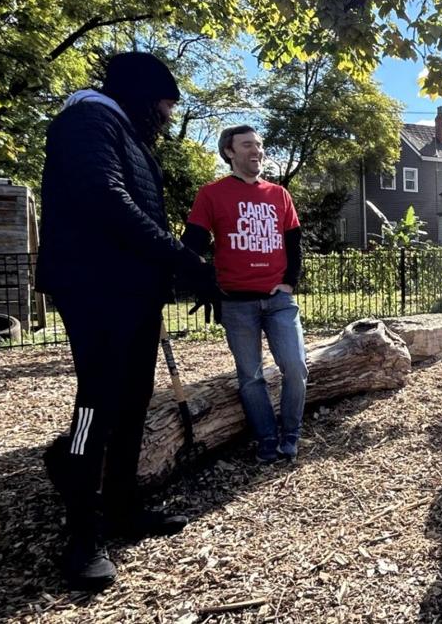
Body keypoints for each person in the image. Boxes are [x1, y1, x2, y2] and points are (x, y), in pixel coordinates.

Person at [37, 52, 223, 590]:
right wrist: (186, 262)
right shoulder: (87, 120)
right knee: (96, 404)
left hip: (134, 292)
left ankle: (122, 505)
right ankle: (81, 534)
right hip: (95, 286)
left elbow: (139, 212)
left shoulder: (126, 134)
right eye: (165, 104)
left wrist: (177, 276)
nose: (167, 116)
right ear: (142, 95)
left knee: (135, 399)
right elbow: (107, 200)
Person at [181, 125, 307, 463]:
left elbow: (295, 245)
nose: (257, 150)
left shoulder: (279, 195)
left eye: (260, 144)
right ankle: (267, 439)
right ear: (229, 152)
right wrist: (204, 282)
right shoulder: (211, 194)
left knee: (295, 366)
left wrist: (290, 282)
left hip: (278, 299)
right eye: (248, 144)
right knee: (250, 376)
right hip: (237, 303)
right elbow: (190, 244)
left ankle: (291, 432)